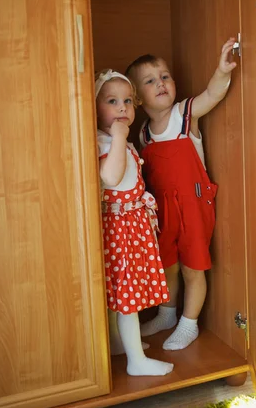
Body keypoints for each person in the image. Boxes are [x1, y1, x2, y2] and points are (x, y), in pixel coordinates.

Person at [125, 38, 237, 350]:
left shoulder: (184, 114)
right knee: (167, 264)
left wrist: (222, 70)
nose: (160, 83)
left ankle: (189, 324)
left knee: (193, 266)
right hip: (164, 207)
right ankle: (167, 314)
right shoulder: (144, 132)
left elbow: (213, 94)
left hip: (193, 202)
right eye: (150, 81)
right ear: (136, 97)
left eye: (164, 76)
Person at [95, 69, 173, 376]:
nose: (122, 108)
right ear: (95, 107)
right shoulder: (105, 141)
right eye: (112, 101)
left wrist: (120, 138)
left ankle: (120, 343)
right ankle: (136, 361)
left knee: (122, 293)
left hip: (131, 224)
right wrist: (117, 138)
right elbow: (111, 177)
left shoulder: (118, 139)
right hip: (120, 228)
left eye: (128, 101)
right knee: (127, 296)